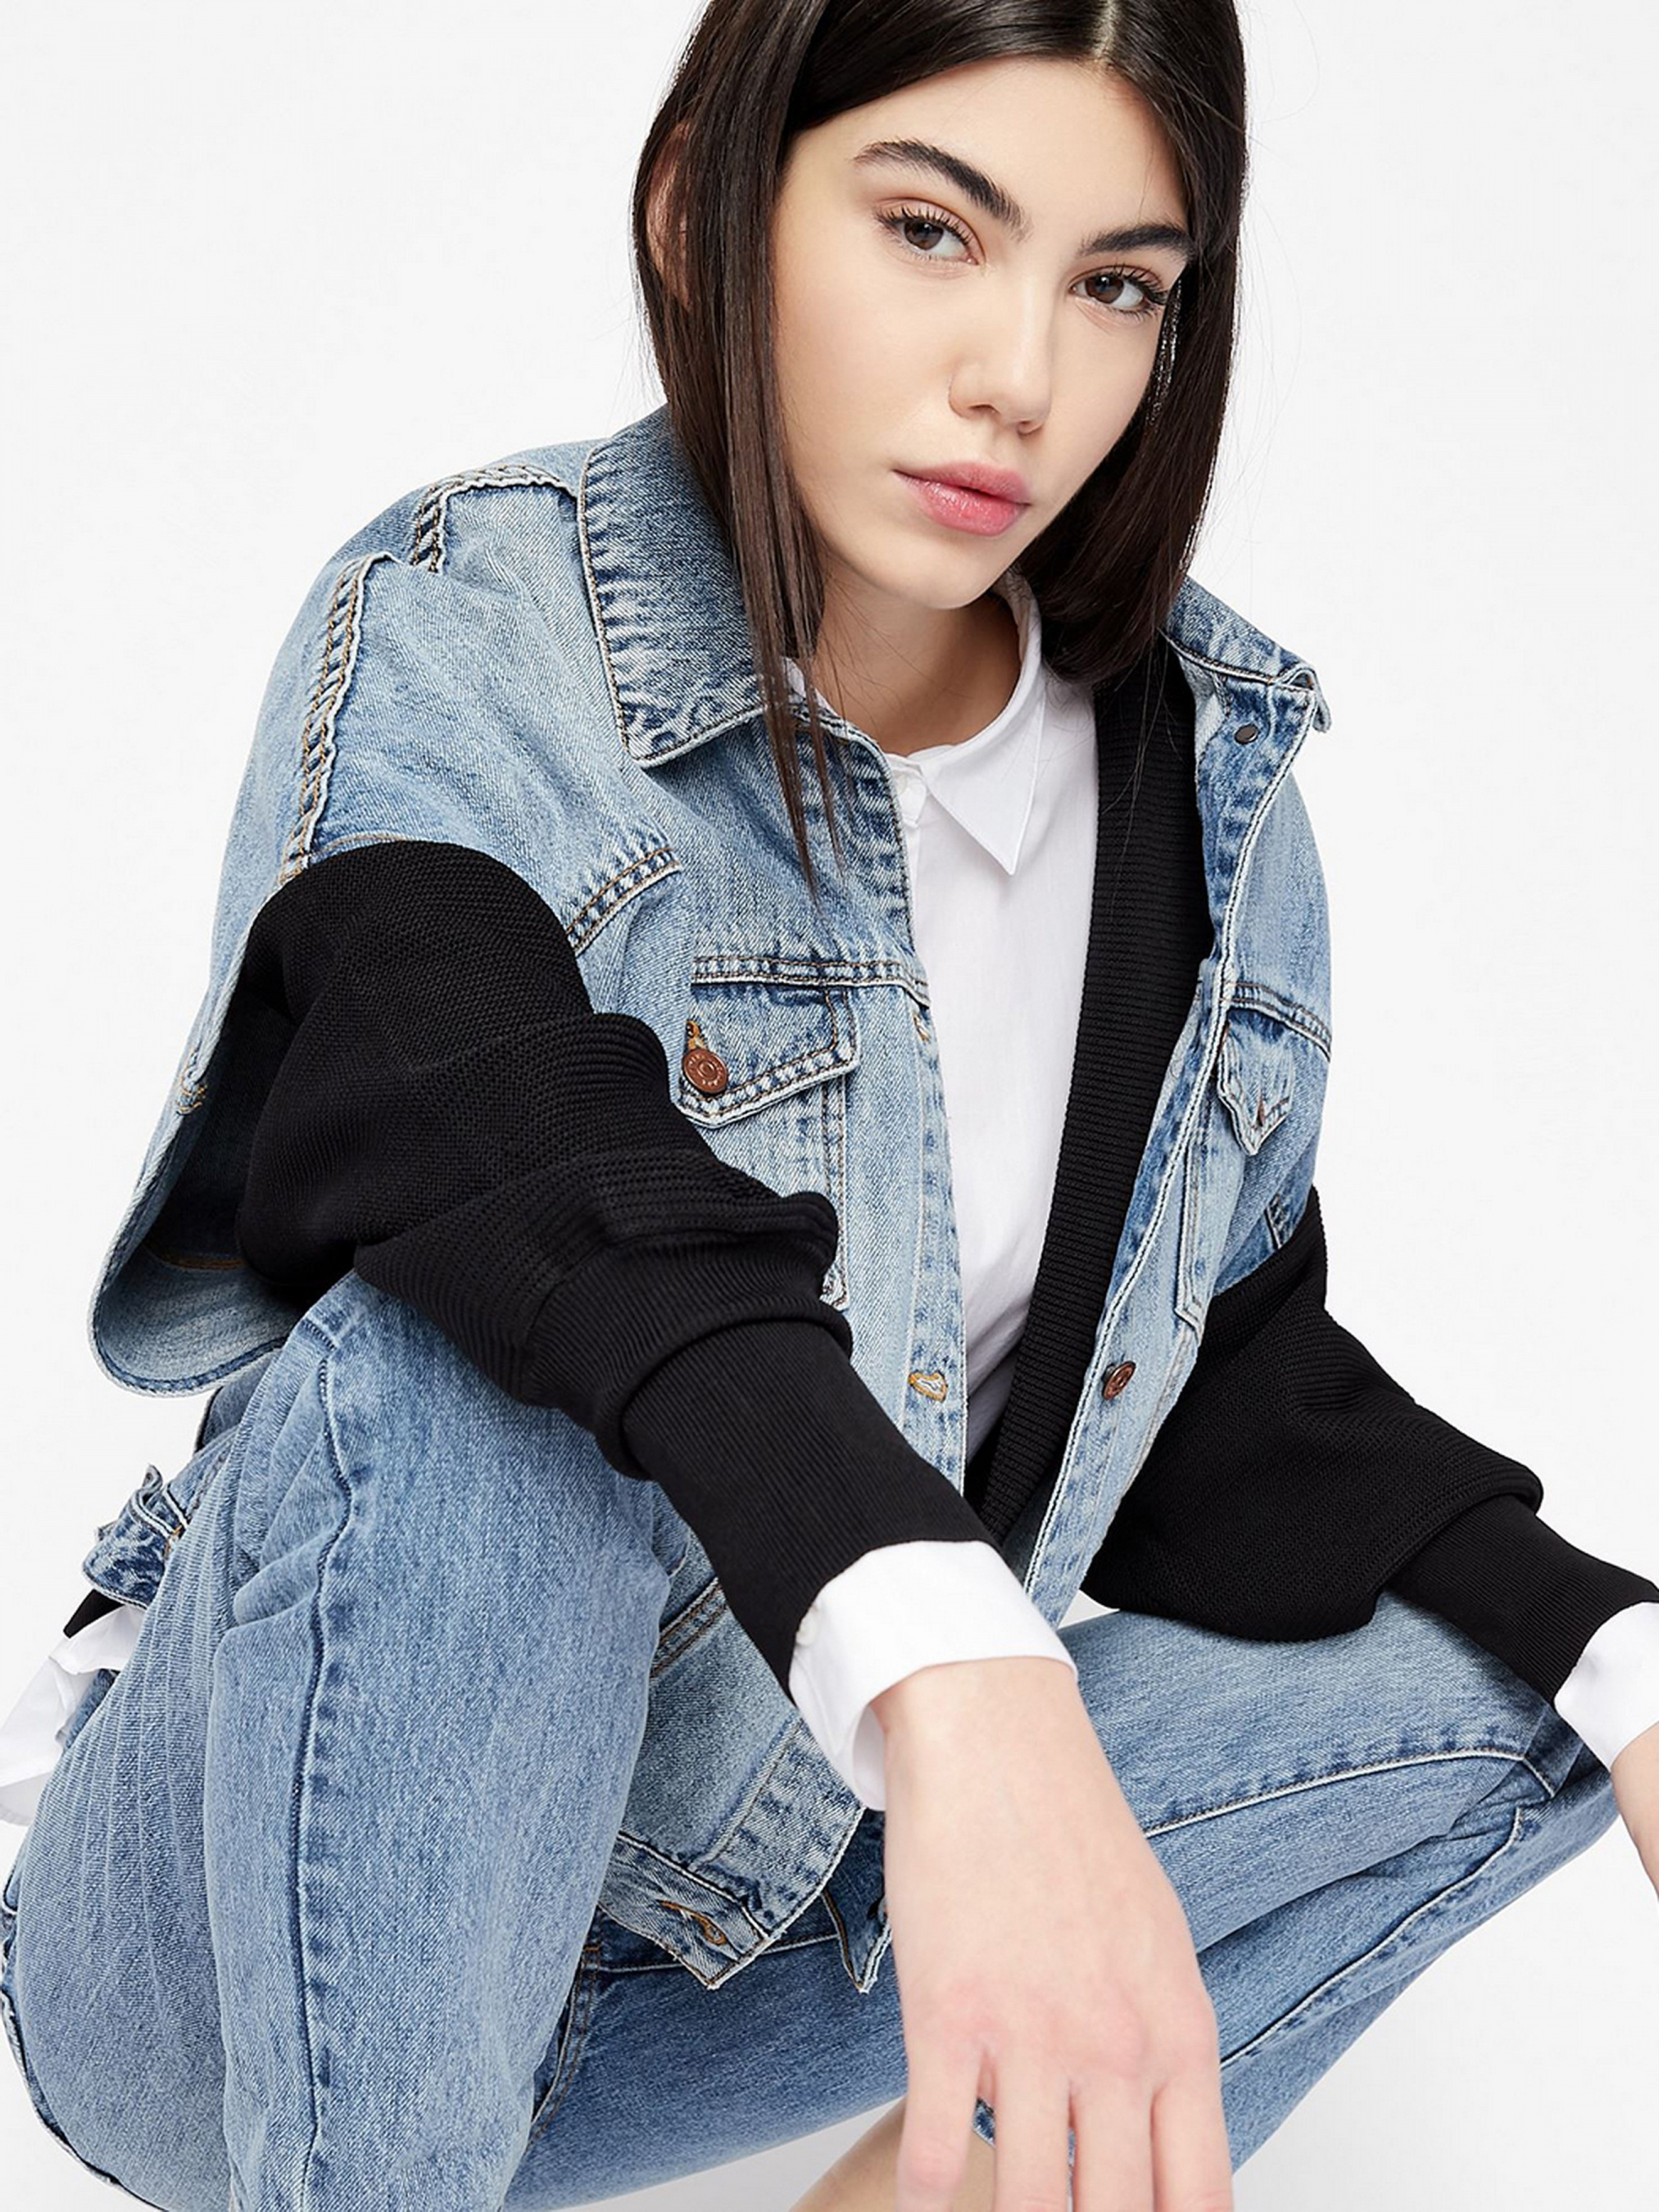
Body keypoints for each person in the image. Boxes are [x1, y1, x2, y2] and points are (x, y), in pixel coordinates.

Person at [2, 6, 1656, 2210]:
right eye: (929, 231)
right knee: (472, 1359)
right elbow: (502, 1142)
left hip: (721, 1924)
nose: (1021, 378)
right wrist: (960, 1661)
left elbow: (1224, 1393)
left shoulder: (1205, 794)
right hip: (247, 1922)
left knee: (1519, 1687)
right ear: (701, 203)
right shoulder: (476, 623)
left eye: (1115, 283)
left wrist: (1627, 1660)